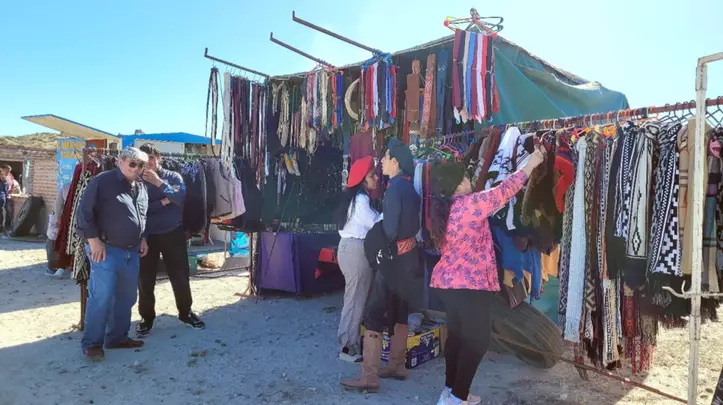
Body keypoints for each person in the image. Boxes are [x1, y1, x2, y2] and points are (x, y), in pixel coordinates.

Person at [428, 145, 546, 405]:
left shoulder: (443, 208)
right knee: (478, 341)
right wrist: (531, 163)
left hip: (448, 285)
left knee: (458, 338)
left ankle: (451, 391)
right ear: (457, 185)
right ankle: (457, 398)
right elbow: (504, 190)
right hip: (470, 287)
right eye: (465, 177)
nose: (469, 180)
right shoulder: (470, 205)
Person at [341, 138, 421, 392]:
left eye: (385, 158)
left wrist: (376, 243)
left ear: (395, 162)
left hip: (393, 259)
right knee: (399, 310)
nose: (382, 163)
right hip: (409, 257)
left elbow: (389, 230)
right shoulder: (410, 188)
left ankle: (369, 376)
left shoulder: (394, 189)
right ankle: (397, 365)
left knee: (374, 314)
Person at [75, 147, 150, 360]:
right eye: (132, 163)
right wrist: (93, 240)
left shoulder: (141, 186)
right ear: (120, 162)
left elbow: (142, 215)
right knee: (102, 297)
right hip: (106, 250)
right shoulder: (102, 182)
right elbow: (83, 213)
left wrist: (143, 237)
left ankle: (117, 338)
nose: (136, 168)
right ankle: (92, 344)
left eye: (140, 165)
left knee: (127, 298)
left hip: (132, 252)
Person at [135, 143, 205, 337]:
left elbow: (180, 197)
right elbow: (141, 209)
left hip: (173, 233)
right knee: (145, 279)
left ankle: (185, 313)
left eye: (151, 157)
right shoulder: (137, 181)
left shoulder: (173, 177)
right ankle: (146, 318)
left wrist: (159, 183)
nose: (148, 162)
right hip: (147, 236)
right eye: (144, 158)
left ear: (159, 158)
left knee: (180, 275)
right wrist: (164, 201)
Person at [334, 156, 380, 363]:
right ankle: (346, 347)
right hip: (355, 251)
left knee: (355, 298)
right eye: (371, 176)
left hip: (350, 249)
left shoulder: (354, 198)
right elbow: (374, 223)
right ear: (362, 179)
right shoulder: (361, 200)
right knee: (354, 300)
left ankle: (349, 343)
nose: (376, 178)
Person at [46, 182, 71, 277]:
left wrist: (57, 219)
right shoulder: (67, 187)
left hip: (64, 221)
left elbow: (58, 204)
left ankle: (55, 267)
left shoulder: (67, 186)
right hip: (67, 221)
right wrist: (57, 219)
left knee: (54, 238)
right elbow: (58, 204)